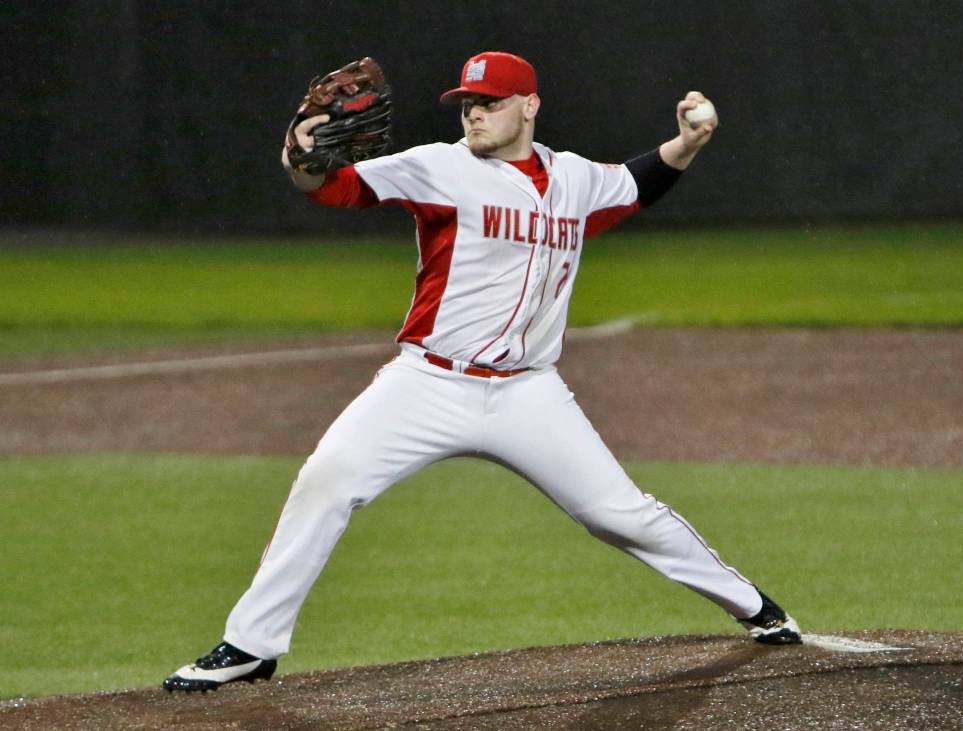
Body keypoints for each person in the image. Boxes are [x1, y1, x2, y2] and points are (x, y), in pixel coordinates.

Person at [163, 51, 800, 693]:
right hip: (429, 384)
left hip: (529, 392)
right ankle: (251, 645)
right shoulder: (440, 167)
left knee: (620, 515)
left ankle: (754, 607)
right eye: (468, 104)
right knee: (325, 483)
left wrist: (686, 144)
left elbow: (636, 184)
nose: (474, 114)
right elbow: (334, 187)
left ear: (529, 106)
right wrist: (300, 155)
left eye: (490, 103)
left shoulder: (575, 178)